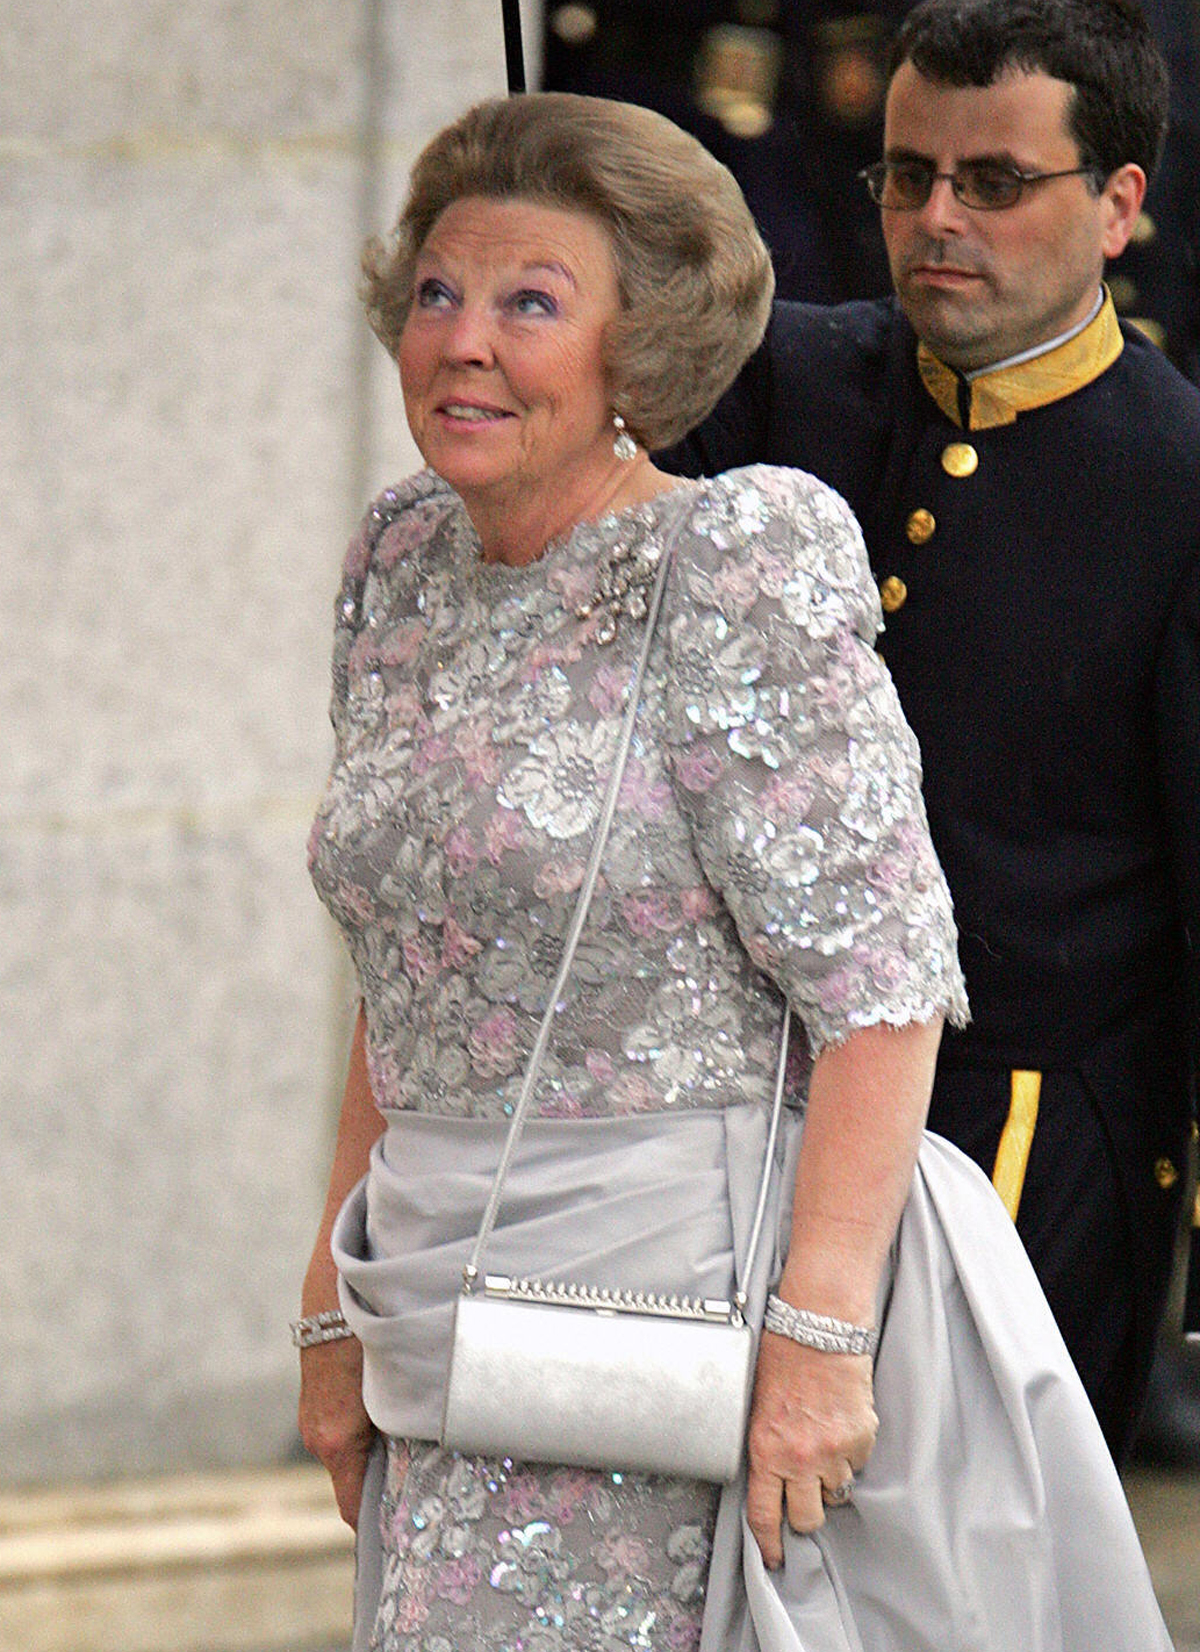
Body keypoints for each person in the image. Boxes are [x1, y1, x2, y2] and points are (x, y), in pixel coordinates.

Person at [297, 91, 1171, 1651]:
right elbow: (403, 960)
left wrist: (823, 1344)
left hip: (677, 1343)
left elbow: (885, 985)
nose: (464, 342)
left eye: (531, 303)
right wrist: (327, 1296)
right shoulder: (401, 561)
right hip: (442, 1321)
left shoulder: (738, 556)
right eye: (438, 292)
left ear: (642, 346)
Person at [665, 0, 1200, 1464]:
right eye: (906, 176)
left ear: (1119, 205)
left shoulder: (1178, 481)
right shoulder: (780, 381)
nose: (936, 219)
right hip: (733, 1122)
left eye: (994, 182)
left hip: (1025, 1146)